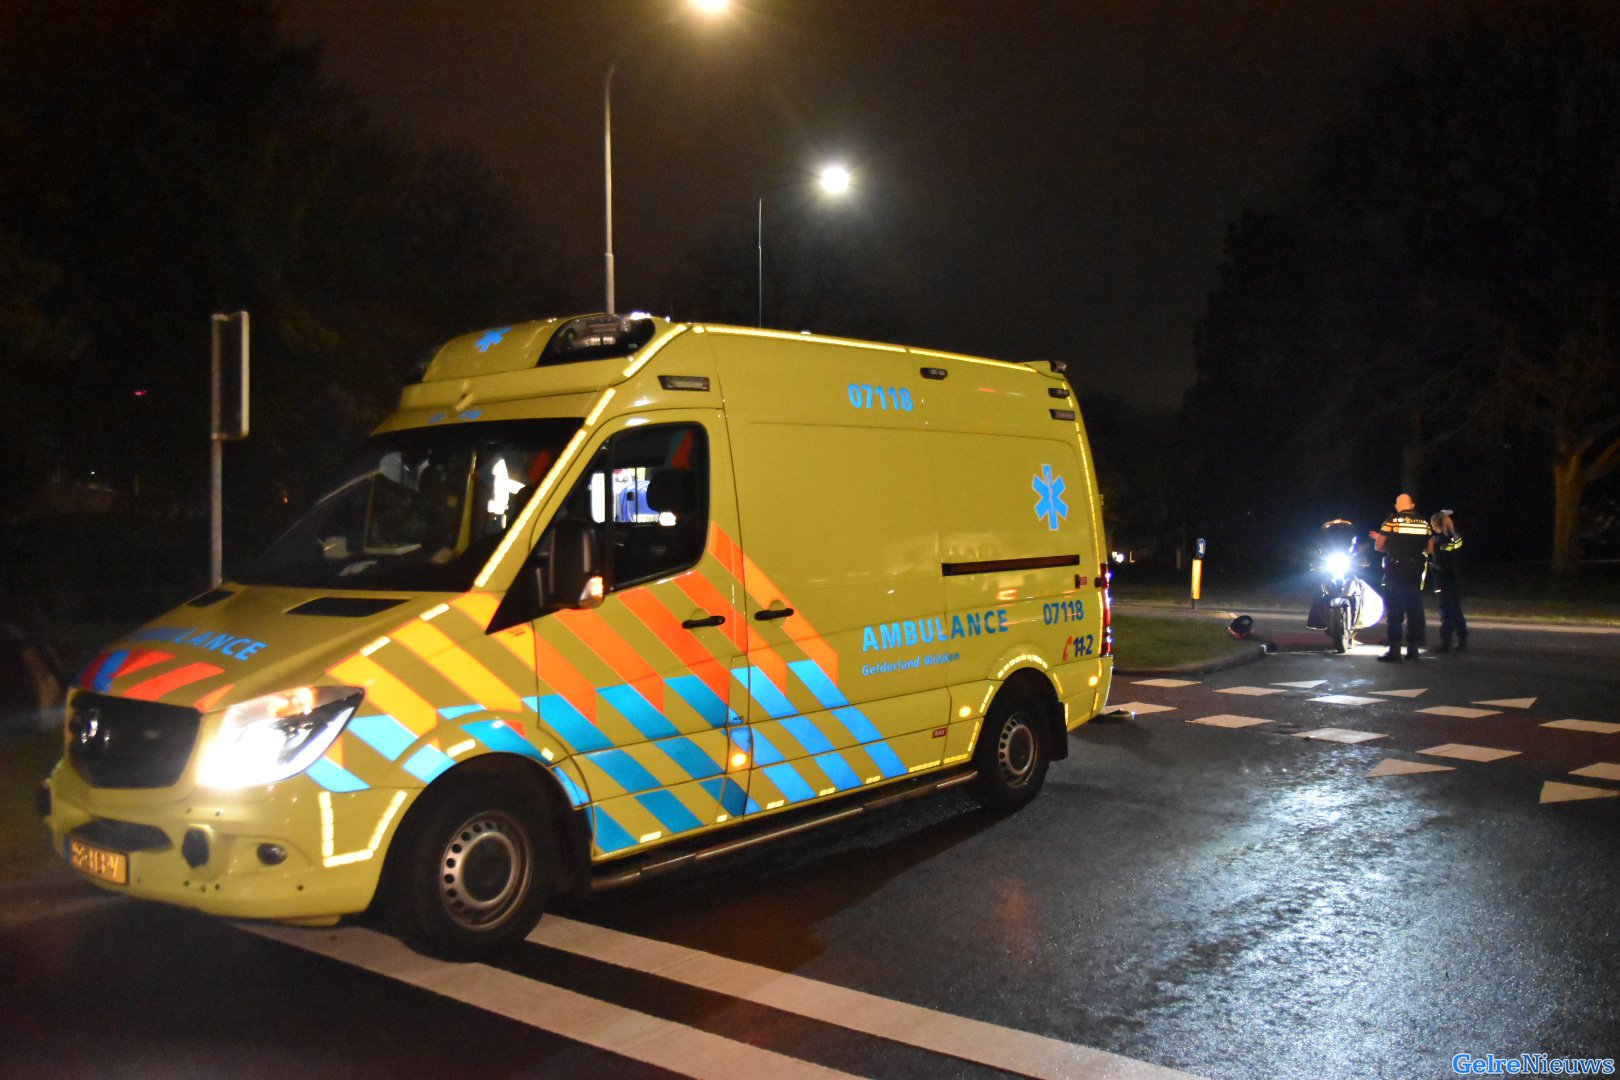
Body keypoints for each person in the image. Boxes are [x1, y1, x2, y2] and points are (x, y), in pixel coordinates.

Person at [1370, 493, 1434, 661]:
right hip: (1415, 570)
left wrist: (1391, 550)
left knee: (1395, 610)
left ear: (1398, 506)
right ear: (1412, 505)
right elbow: (1429, 549)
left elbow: (1379, 545)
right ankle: (1413, 649)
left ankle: (1395, 650)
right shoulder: (1424, 523)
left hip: (1395, 569)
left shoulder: (1392, 521)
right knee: (1414, 609)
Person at [1429, 509, 1467, 652]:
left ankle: (1446, 642)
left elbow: (1440, 563)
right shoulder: (1456, 538)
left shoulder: (1438, 541)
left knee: (1446, 611)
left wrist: (1431, 564)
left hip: (1444, 579)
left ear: (1436, 524)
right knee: (1456, 610)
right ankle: (1462, 639)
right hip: (1456, 578)